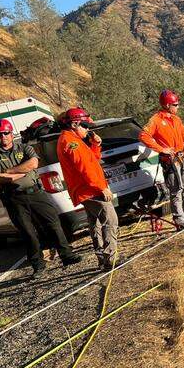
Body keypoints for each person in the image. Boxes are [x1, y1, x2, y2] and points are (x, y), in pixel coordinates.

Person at [0, 118, 82, 275]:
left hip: (36, 193)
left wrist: (8, 171)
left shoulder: (25, 147)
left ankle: (67, 255)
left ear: (11, 133)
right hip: (14, 198)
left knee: (53, 224)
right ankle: (38, 265)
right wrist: (19, 172)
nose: (3, 137)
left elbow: (33, 164)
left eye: (6, 133)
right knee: (28, 232)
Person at [55, 108, 118, 272]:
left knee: (95, 223)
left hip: (87, 189)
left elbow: (93, 160)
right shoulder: (71, 142)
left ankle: (103, 259)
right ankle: (109, 258)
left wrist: (96, 144)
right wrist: (101, 187)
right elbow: (85, 168)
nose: (88, 129)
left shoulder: (73, 139)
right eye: (85, 125)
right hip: (90, 190)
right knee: (110, 220)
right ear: (74, 124)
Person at [139, 89, 184, 230]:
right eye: (176, 104)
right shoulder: (156, 120)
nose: (178, 107)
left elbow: (183, 131)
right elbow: (143, 135)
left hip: (183, 157)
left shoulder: (176, 119)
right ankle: (179, 220)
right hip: (171, 161)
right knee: (176, 190)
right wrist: (161, 150)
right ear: (167, 105)